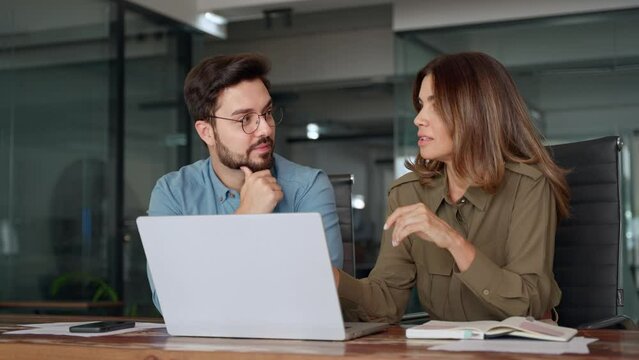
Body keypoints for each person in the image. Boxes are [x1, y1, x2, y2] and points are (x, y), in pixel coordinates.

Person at [334, 52, 569, 323]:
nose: (418, 119)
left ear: (475, 111)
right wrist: (334, 279)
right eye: (420, 105)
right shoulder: (406, 194)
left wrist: (452, 241)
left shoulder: (528, 187)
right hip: (444, 347)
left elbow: (529, 302)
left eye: (435, 105)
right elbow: (385, 301)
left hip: (520, 347)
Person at [147, 53, 343, 311]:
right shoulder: (173, 193)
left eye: (267, 113)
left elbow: (321, 296)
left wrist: (210, 284)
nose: (264, 129)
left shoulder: (308, 186)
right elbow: (170, 301)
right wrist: (246, 218)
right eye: (245, 119)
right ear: (207, 132)